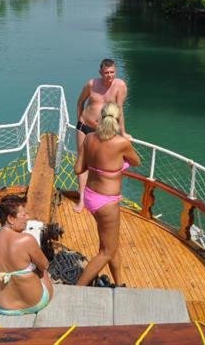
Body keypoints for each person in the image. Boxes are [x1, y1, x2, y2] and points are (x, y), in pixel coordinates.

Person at [74, 102, 140, 287]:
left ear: (100, 117)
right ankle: (76, 289)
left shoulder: (89, 138)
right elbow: (136, 162)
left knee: (110, 245)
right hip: (107, 202)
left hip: (90, 196)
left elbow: (78, 168)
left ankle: (119, 284)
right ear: (118, 121)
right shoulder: (121, 143)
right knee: (106, 251)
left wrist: (96, 166)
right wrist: (119, 163)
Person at [0, 195, 54, 315]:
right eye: (24, 215)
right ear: (11, 219)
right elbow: (44, 266)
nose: (27, 218)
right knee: (42, 268)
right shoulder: (27, 239)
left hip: (2, 307)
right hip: (36, 303)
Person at [74, 59, 129, 212]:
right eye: (106, 73)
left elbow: (119, 110)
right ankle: (81, 200)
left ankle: (102, 198)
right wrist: (79, 120)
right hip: (83, 127)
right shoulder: (91, 84)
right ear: (100, 72)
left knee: (102, 164)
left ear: (115, 72)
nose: (109, 76)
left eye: (112, 72)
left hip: (103, 131)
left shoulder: (120, 86)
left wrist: (123, 132)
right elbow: (80, 102)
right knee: (82, 162)